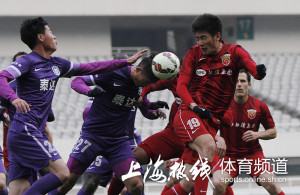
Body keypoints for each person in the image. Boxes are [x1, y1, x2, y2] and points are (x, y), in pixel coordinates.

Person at [0, 17, 146, 195]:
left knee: (19, 190)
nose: (55, 37)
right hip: (25, 130)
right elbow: (1, 77)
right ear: (40, 37)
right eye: (50, 32)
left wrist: (124, 63)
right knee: (62, 173)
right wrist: (13, 98)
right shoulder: (28, 62)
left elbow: (91, 67)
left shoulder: (57, 64)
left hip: (26, 134)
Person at [168, 13, 266, 195]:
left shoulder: (235, 52)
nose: (200, 43)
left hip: (210, 122)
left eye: (203, 37)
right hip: (189, 113)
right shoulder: (193, 54)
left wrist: (258, 72)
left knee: (187, 179)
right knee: (208, 148)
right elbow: (181, 86)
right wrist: (194, 106)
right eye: (197, 38)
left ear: (218, 36)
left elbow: (251, 66)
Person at [53, 55, 160, 195]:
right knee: (67, 181)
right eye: (146, 81)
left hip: (118, 142)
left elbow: (140, 100)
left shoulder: (138, 84)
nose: (146, 85)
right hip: (93, 137)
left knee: (136, 185)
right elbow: (77, 81)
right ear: (138, 70)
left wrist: (152, 107)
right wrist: (89, 91)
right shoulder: (112, 73)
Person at [212, 70, 285, 195]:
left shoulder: (259, 106)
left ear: (249, 85)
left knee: (272, 184)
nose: (239, 84)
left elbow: (273, 132)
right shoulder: (221, 105)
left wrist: (258, 134)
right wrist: (218, 138)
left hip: (253, 155)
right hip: (229, 156)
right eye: (236, 81)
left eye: (243, 81)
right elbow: (206, 129)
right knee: (218, 183)